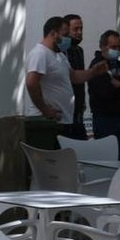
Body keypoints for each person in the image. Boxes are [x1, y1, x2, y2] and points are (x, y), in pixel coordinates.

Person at [24, 15, 109, 148]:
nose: (68, 39)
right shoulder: (40, 54)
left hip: (64, 122)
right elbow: (31, 82)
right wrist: (45, 110)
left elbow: (73, 76)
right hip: (47, 123)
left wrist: (92, 72)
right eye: (65, 35)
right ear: (53, 33)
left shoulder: (59, 55)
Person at [87, 29, 120, 159]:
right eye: (113, 47)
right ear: (103, 47)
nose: (117, 50)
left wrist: (119, 85)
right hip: (104, 119)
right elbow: (106, 92)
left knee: (119, 157)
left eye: (119, 47)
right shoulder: (97, 66)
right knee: (106, 159)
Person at [63, 13, 88, 139]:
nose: (79, 32)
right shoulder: (61, 52)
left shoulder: (79, 51)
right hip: (64, 112)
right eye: (76, 29)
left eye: (81, 29)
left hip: (78, 110)